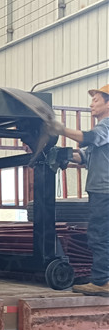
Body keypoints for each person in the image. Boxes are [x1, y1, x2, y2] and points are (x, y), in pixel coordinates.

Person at [54, 84, 109, 296]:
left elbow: (89, 138)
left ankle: (102, 282)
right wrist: (64, 155)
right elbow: (85, 155)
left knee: (99, 235)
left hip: (104, 191)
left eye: (96, 100)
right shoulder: (102, 131)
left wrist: (61, 130)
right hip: (101, 190)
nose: (91, 104)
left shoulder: (106, 126)